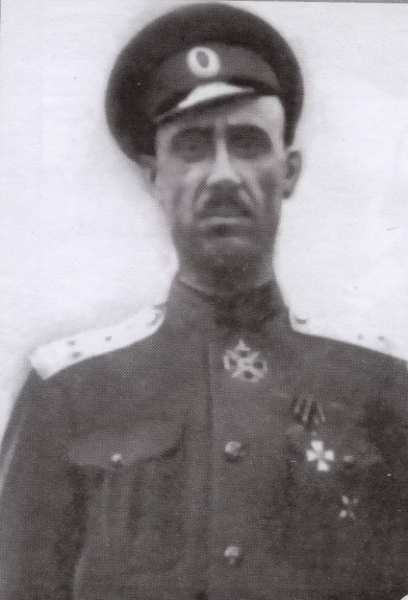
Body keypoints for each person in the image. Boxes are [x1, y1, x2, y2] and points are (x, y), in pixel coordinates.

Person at [1, 3, 408, 600]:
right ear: (155, 179)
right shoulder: (69, 392)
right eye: (192, 147)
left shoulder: (379, 385)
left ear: (289, 171)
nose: (222, 176)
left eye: (247, 143)